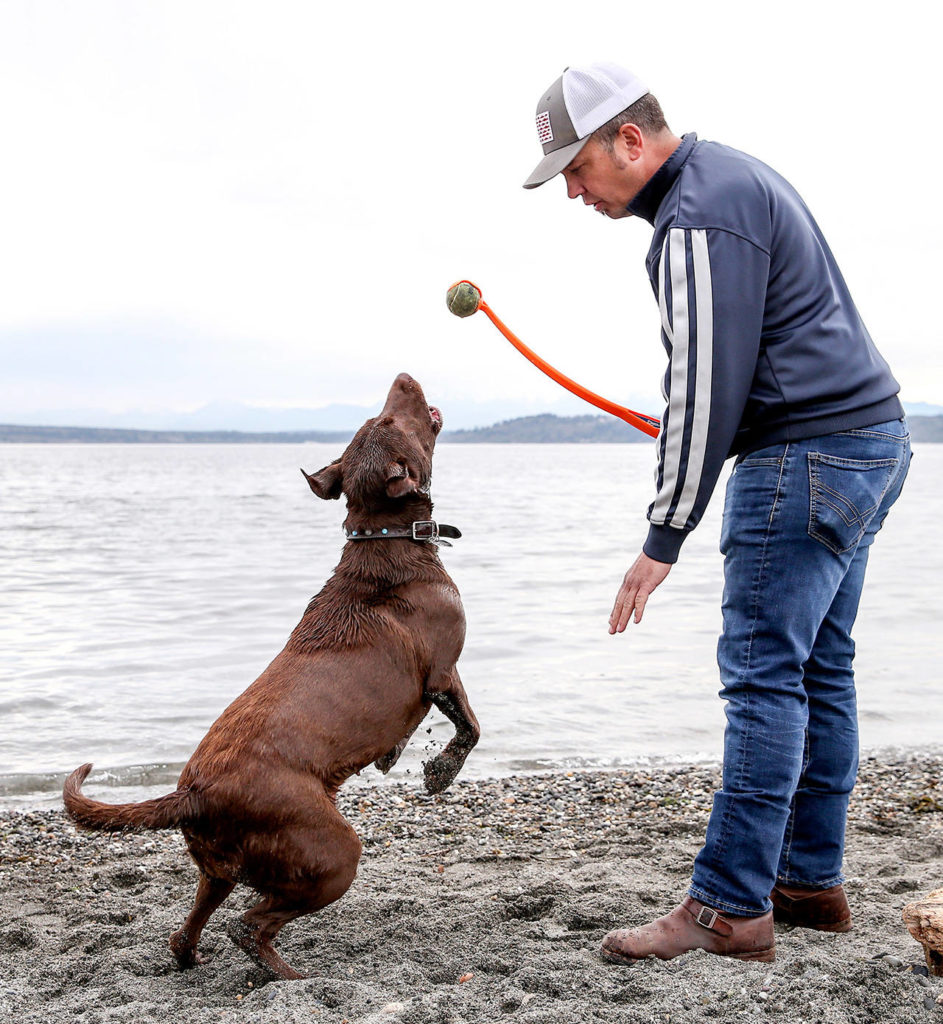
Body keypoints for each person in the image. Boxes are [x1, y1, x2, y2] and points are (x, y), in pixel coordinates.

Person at [523, 62, 911, 964]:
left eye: (576, 168)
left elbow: (700, 391)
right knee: (821, 669)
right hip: (870, 441)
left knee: (762, 679)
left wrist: (662, 537)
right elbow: (733, 375)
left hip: (804, 460)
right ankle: (808, 881)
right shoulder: (738, 176)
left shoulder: (693, 218)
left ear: (629, 139)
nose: (571, 190)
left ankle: (730, 908)